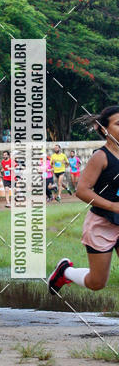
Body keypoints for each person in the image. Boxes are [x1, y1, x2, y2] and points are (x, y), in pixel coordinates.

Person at [48, 107, 119, 297]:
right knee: (97, 282)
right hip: (102, 223)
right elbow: (82, 190)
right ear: (105, 130)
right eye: (118, 124)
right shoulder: (101, 157)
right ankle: (65, 272)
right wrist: (113, 206)